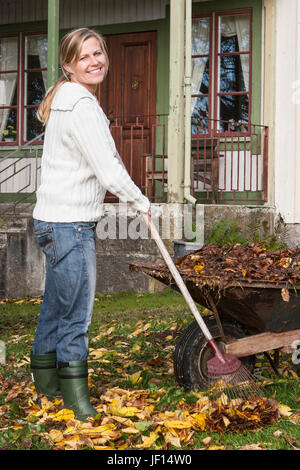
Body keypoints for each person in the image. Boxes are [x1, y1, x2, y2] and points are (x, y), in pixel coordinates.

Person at [30, 28, 151, 421]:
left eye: (98, 53)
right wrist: (140, 201)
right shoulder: (82, 105)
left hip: (50, 221)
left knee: (55, 305)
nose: (95, 61)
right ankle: (76, 400)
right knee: (76, 314)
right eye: (84, 57)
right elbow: (108, 169)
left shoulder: (64, 99)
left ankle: (47, 386)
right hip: (70, 225)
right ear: (68, 65)